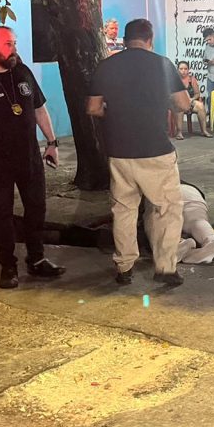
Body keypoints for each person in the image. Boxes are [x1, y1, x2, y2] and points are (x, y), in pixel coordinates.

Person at [87, 19, 190, 286]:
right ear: (150, 39)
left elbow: (94, 108)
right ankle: (165, 267)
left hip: (120, 150)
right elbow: (182, 104)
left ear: (125, 39)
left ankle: (124, 267)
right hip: (156, 150)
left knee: (123, 210)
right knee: (166, 209)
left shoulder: (106, 66)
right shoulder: (163, 64)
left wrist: (115, 114)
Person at [0, 26, 64, 289]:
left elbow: (39, 109)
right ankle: (8, 266)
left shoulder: (22, 72)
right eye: (8, 44)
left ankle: (37, 259)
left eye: (14, 43)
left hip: (29, 157)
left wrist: (52, 142)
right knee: (2, 213)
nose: (14, 49)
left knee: (36, 208)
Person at [175, 182, 214, 265]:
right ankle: (210, 241)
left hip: (161, 193)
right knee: (196, 220)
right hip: (190, 191)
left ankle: (178, 244)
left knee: (158, 223)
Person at [174, 61, 213, 139]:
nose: (183, 71)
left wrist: (192, 99)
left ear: (188, 70)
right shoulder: (174, 80)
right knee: (180, 107)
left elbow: (197, 94)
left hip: (190, 102)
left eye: (185, 69)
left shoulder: (192, 79)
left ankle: (204, 130)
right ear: (178, 70)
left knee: (200, 106)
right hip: (177, 103)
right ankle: (179, 133)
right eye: (181, 69)